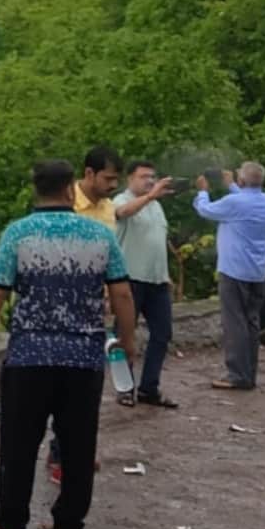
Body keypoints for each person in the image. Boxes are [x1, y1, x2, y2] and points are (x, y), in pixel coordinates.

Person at [0, 159, 136, 529]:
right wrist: (127, 341)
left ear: (36, 190)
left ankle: (10, 524)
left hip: (29, 355)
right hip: (83, 357)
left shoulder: (18, 233)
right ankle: (67, 524)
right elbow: (122, 293)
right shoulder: (99, 235)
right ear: (69, 190)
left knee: (18, 443)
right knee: (79, 445)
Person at [48, 145, 123, 480]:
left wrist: (109, 295)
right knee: (63, 382)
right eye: (107, 178)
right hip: (63, 304)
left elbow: (109, 257)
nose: (112, 185)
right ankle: (59, 455)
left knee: (88, 385)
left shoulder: (108, 209)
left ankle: (79, 449)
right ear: (88, 173)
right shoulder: (65, 205)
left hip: (95, 306)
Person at [193, 161, 265, 390]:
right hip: (257, 271)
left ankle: (236, 374)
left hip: (234, 270)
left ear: (242, 180)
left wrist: (202, 190)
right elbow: (244, 202)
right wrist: (231, 185)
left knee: (234, 323)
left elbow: (205, 210)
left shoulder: (235, 202)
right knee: (251, 322)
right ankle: (249, 374)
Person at [113, 160, 178, 406]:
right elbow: (123, 213)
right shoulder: (122, 200)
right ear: (130, 178)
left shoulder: (156, 207)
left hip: (156, 280)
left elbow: (157, 241)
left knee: (162, 334)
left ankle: (149, 388)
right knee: (124, 334)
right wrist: (150, 196)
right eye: (144, 176)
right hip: (130, 279)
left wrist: (166, 274)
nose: (150, 181)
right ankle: (124, 388)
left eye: (152, 176)